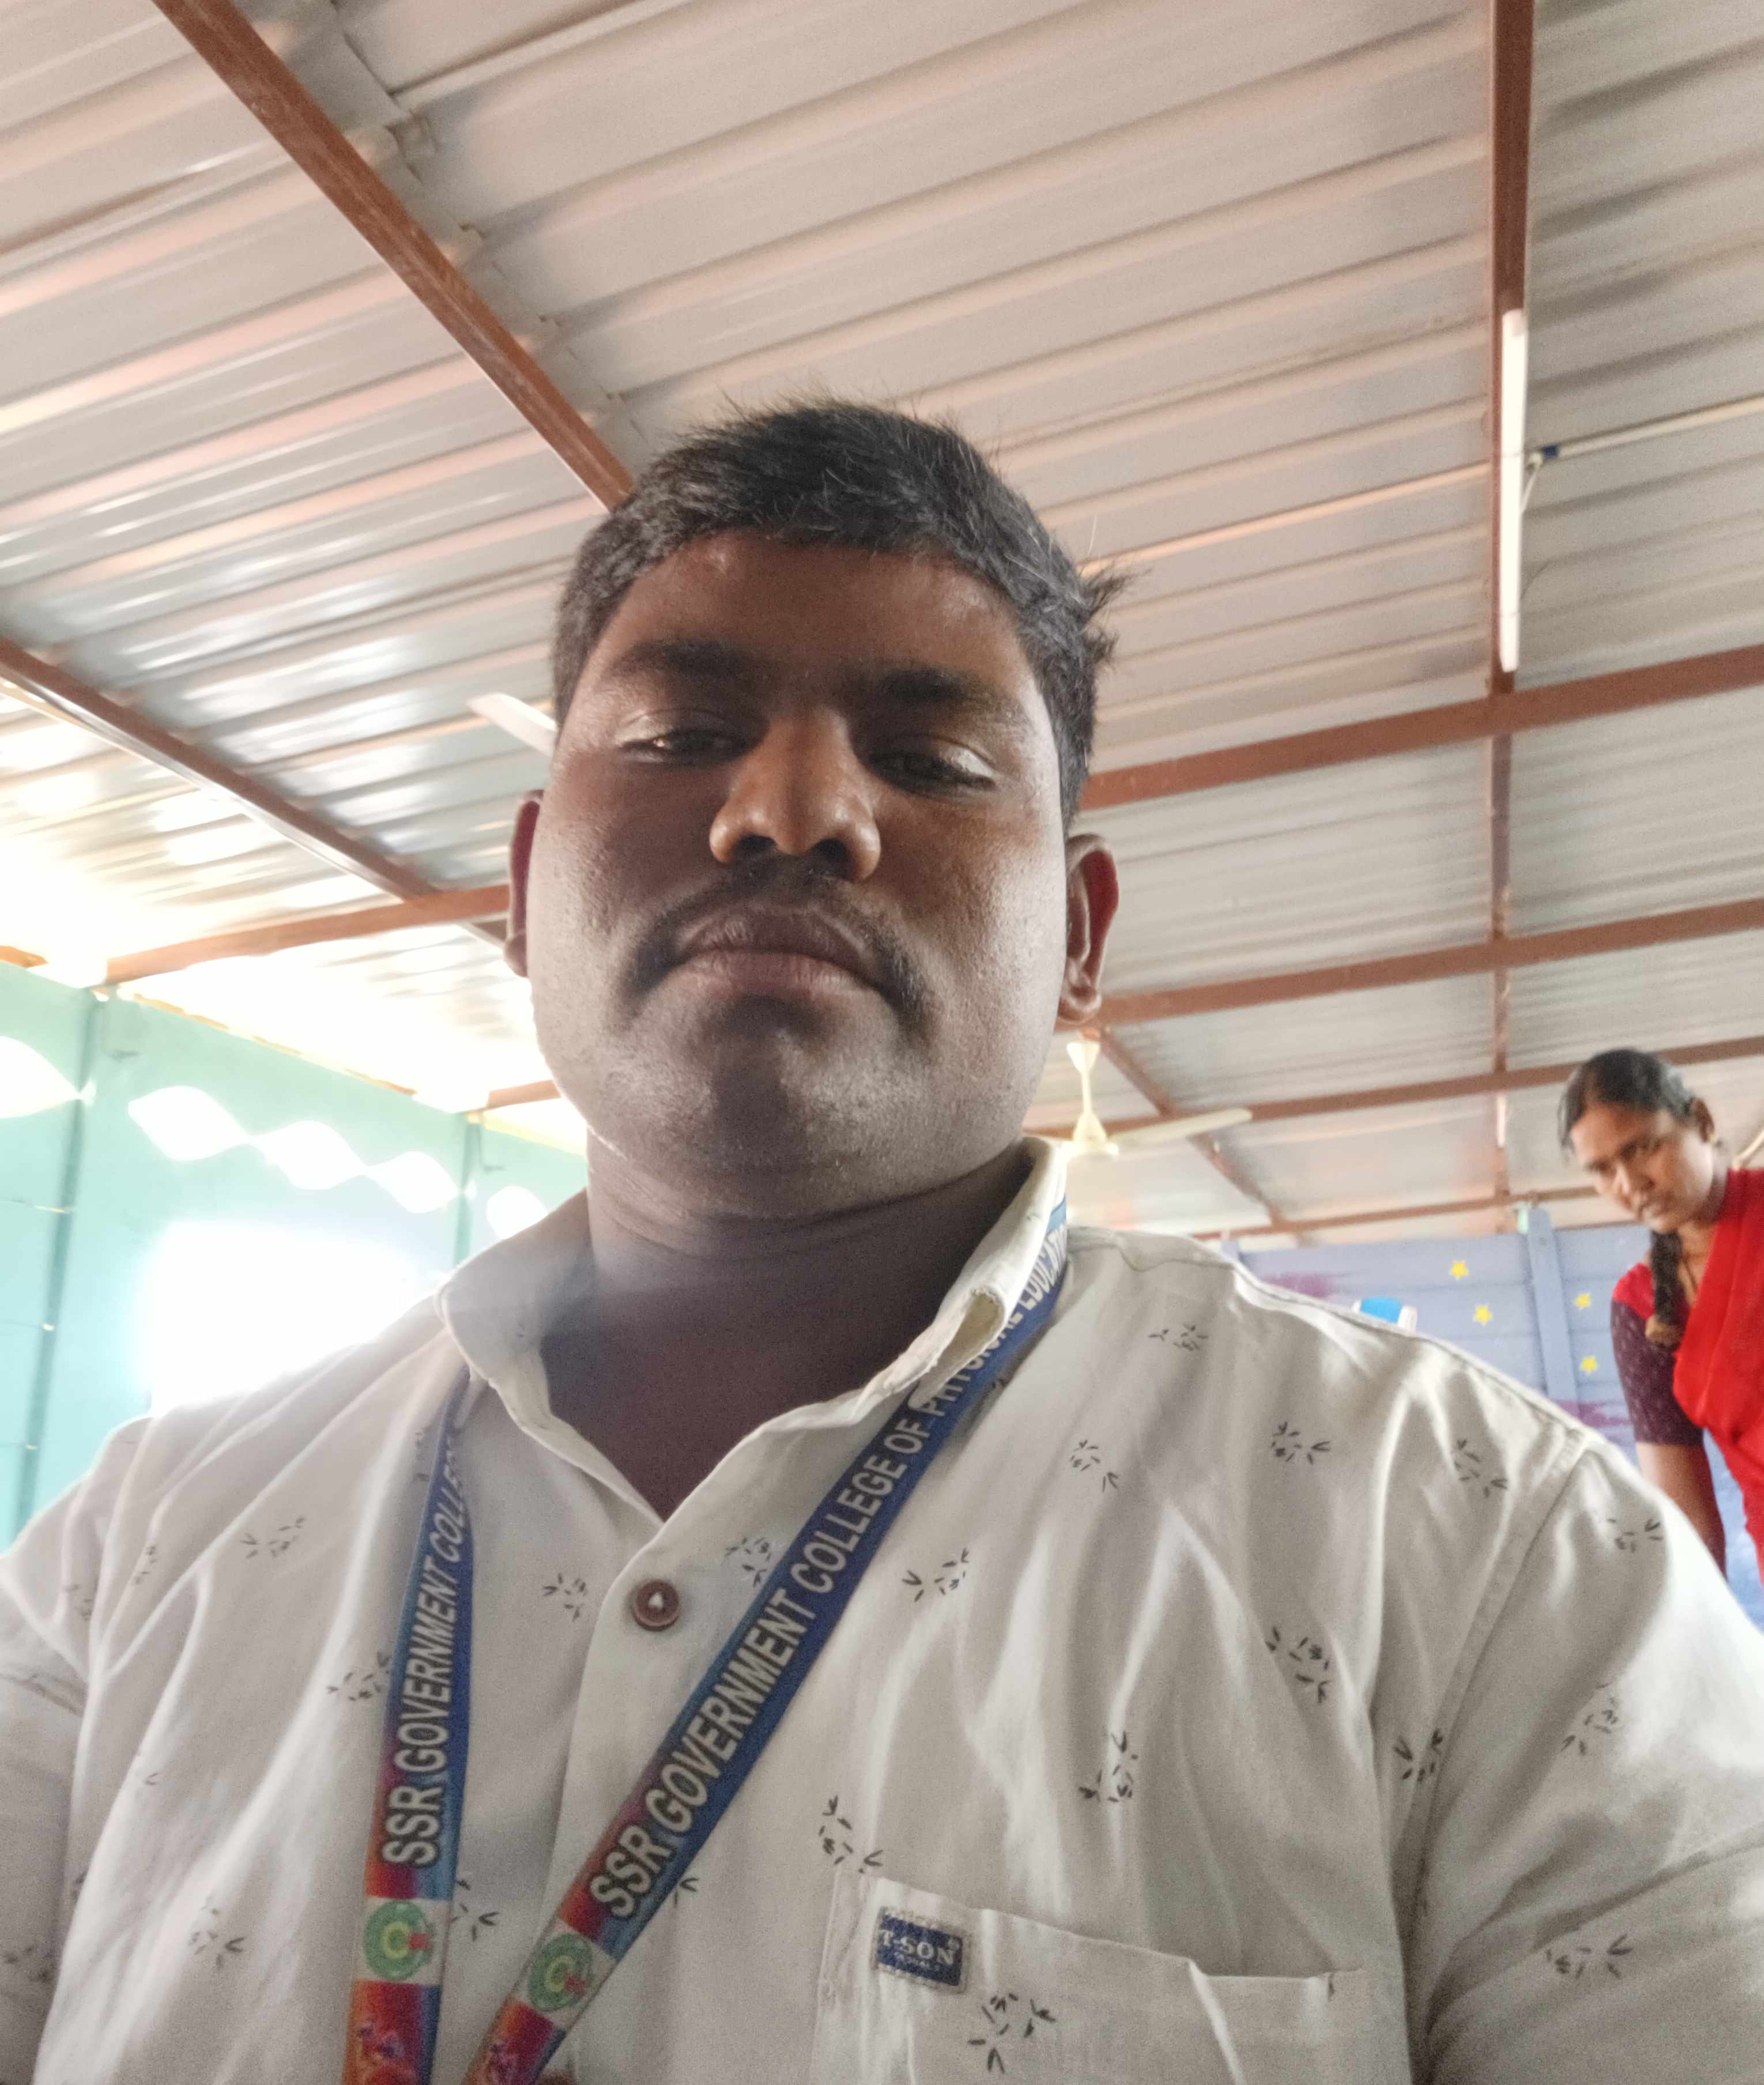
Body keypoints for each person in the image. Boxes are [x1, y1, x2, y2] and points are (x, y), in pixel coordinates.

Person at [3, 405, 1763, 2085]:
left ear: (1078, 938)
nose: (790, 811)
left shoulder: (1483, 1549)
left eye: (930, 762)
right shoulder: (136, 1545)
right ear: (526, 885)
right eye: (678, 734)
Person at [1561, 1047, 1764, 1579]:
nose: (1629, 1185)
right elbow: (1685, 1517)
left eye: (1644, 1148)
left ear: (1701, 1121)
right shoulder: (1640, 1307)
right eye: (1602, 1170)